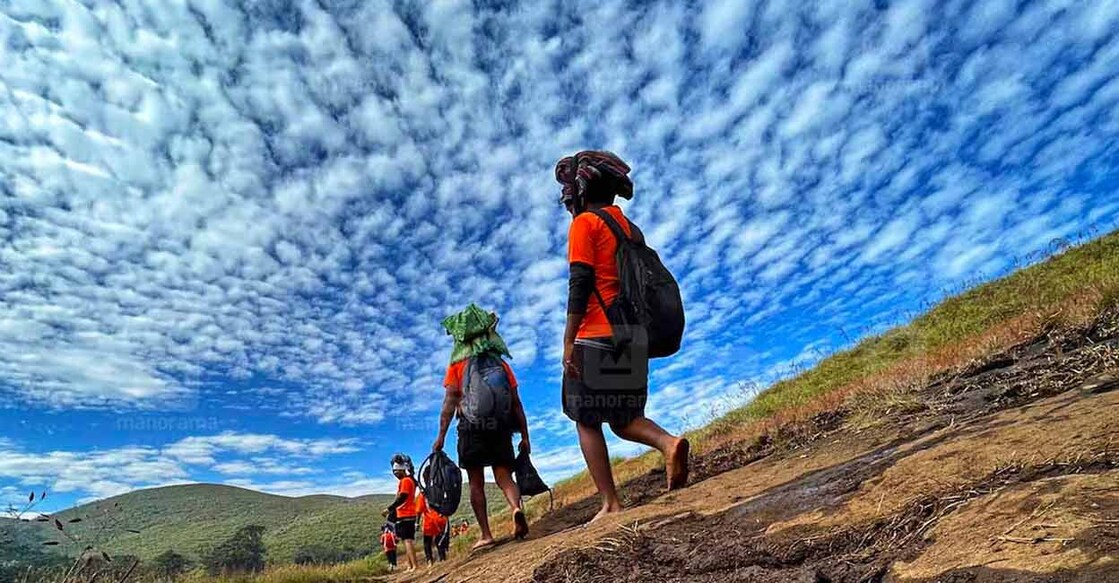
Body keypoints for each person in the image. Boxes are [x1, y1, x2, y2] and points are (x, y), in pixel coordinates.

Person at [554, 150, 690, 523]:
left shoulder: (585, 224)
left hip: (595, 335)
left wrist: (568, 340)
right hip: (632, 333)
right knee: (625, 416)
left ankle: (611, 504)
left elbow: (579, 283)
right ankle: (668, 443)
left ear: (580, 191)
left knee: (586, 419)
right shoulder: (628, 227)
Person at [432, 304, 532, 550]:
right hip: (499, 426)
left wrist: (441, 436)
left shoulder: (458, 365)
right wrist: (525, 436)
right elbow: (516, 403)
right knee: (503, 476)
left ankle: (486, 535)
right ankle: (516, 507)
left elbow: (450, 401)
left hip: (470, 427)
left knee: (476, 482)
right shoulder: (500, 363)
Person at [383, 454, 420, 571]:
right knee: (406, 540)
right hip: (408, 513)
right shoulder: (410, 480)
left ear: (401, 470)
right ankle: (410, 565)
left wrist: (389, 508)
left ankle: (414, 566)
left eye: (396, 472)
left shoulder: (405, 481)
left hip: (405, 514)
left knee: (408, 541)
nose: (395, 475)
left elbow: (402, 497)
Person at [416, 490, 448, 565]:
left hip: (429, 521)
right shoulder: (439, 489)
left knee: (427, 542)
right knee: (439, 540)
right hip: (441, 519)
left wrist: (417, 523)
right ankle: (442, 557)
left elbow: (419, 510)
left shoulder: (423, 494)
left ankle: (429, 560)